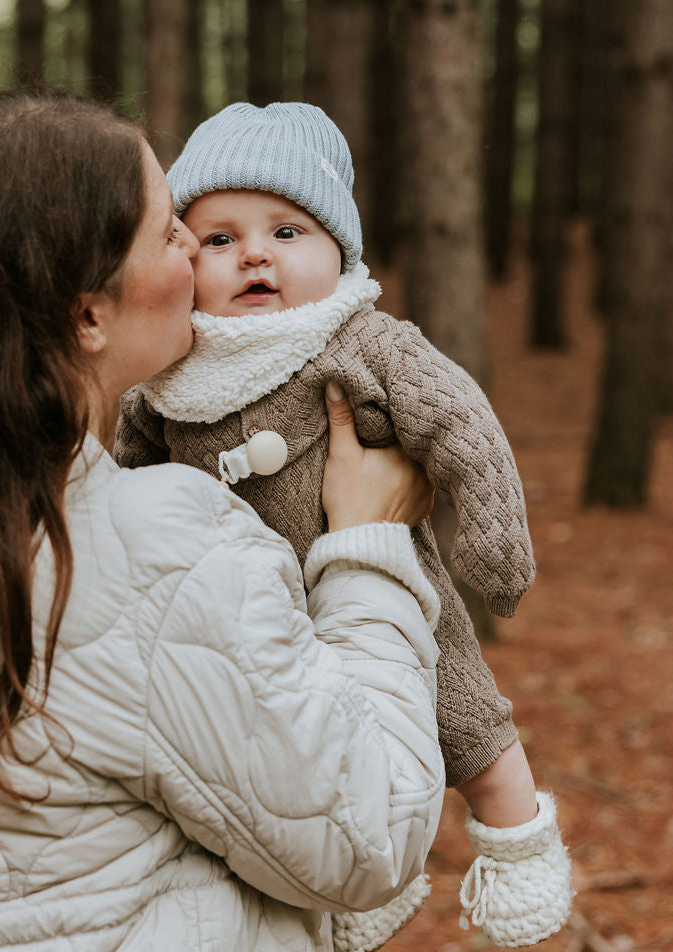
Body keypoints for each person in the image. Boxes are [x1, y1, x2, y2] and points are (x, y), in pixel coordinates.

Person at [0, 85, 447, 952]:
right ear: (86, 312)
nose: (199, 245)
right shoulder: (157, 550)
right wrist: (366, 552)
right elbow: (371, 832)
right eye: (168, 230)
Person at [116, 102, 573, 950]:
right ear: (184, 258)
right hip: (244, 621)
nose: (254, 253)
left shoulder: (363, 342)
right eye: (218, 238)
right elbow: (128, 467)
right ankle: (356, 894)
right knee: (283, 762)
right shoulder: (171, 373)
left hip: (388, 585)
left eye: (287, 231)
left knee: (463, 711)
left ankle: (518, 839)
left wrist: (494, 548)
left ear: (341, 251)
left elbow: (459, 423)